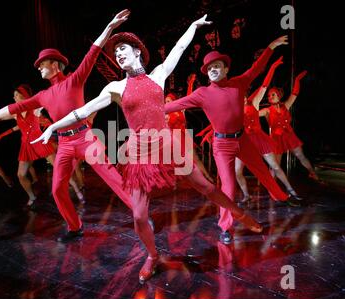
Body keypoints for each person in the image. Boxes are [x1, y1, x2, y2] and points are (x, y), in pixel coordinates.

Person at [32, 15, 262, 283]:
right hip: (139, 152)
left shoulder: (159, 75)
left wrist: (192, 27)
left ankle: (239, 214)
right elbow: (81, 111)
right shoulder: (115, 87)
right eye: (115, 51)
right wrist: (52, 128)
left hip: (166, 145)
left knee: (208, 188)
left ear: (137, 52)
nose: (118, 54)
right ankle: (152, 256)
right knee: (139, 216)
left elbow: (179, 48)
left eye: (122, 49)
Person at [0, 10, 132, 242]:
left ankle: (140, 214)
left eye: (41, 64)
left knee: (113, 178)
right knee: (57, 189)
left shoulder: (75, 79)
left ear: (54, 64)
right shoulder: (43, 95)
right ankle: (75, 226)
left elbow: (93, 52)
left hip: (86, 139)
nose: (38, 68)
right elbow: (13, 109)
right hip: (65, 144)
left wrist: (109, 27)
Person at [164, 35, 297, 244]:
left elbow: (257, 68)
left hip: (242, 139)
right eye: (209, 68)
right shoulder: (202, 93)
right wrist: (142, 108)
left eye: (216, 66)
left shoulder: (239, 83)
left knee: (262, 170)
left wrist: (270, 47)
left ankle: (280, 196)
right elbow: (172, 105)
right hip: (222, 145)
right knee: (228, 188)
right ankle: (225, 226)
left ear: (226, 69)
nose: (213, 70)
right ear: (207, 74)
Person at [0, 84, 85, 208]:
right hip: (26, 146)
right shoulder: (15, 113)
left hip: (40, 142)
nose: (14, 98)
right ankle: (32, 196)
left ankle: (77, 191)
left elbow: (46, 101)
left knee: (59, 168)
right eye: (14, 96)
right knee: (21, 174)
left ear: (23, 96)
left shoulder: (34, 109)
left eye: (16, 95)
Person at [235, 57, 302, 202]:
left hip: (259, 140)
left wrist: (272, 67)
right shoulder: (235, 111)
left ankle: (291, 190)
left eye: (243, 95)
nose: (242, 98)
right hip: (244, 142)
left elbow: (264, 85)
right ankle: (247, 196)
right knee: (237, 171)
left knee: (275, 167)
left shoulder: (255, 103)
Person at [260, 71, 319, 180]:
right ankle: (273, 186)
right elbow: (254, 113)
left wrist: (297, 80)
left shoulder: (285, 106)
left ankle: (312, 173)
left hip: (289, 136)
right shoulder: (267, 110)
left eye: (272, 94)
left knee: (301, 156)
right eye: (268, 95)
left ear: (278, 95)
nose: (270, 96)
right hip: (276, 139)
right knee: (275, 164)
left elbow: (295, 93)